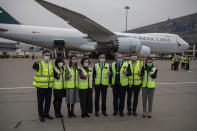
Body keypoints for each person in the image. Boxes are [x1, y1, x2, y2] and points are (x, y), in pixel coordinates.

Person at [32, 50, 54, 122]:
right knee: (40, 102)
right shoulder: (39, 63)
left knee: (48, 101)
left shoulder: (50, 63)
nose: (47, 56)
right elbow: (34, 67)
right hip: (41, 86)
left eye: (48, 55)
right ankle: (41, 115)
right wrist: (36, 62)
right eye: (46, 55)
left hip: (49, 86)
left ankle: (46, 113)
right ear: (42, 56)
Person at [127, 51, 143, 116]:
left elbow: (143, 73)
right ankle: (129, 110)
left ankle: (134, 110)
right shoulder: (128, 63)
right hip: (130, 83)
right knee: (129, 98)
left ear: (137, 56)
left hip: (137, 84)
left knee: (136, 98)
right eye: (132, 55)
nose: (134, 56)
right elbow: (127, 72)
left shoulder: (141, 63)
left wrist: (141, 74)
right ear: (130, 56)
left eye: (135, 55)